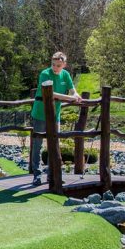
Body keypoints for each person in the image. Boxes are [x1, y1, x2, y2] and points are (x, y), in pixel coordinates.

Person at [29, 52, 81, 186]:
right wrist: (70, 98)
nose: (55, 68)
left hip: (55, 115)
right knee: (37, 145)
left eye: (58, 65)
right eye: (53, 64)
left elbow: (72, 89)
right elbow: (50, 92)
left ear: (64, 64)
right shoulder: (45, 74)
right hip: (40, 114)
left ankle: (52, 175)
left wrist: (76, 95)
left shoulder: (66, 75)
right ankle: (37, 175)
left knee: (54, 145)